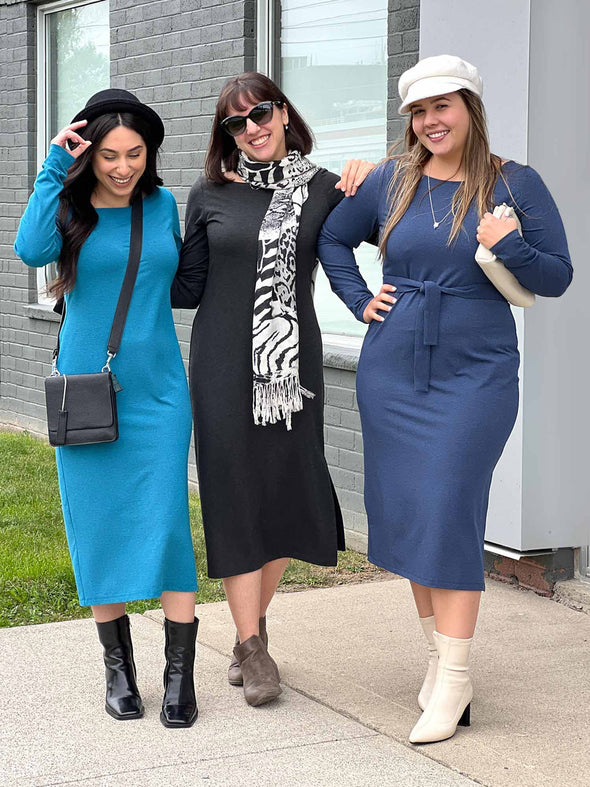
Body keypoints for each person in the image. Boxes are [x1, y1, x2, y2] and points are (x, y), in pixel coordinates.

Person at [317, 55, 572, 743]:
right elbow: (332, 238)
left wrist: (510, 245)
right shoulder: (390, 182)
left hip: (476, 373)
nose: (431, 121)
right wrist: (359, 299)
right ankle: (441, 660)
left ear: (470, 108)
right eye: (419, 112)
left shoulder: (515, 183)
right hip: (393, 367)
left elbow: (558, 277)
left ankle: (455, 677)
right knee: (412, 514)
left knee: (450, 508)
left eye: (444, 107)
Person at [171, 72, 374, 707]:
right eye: (236, 123)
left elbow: (400, 225)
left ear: (283, 113)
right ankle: (253, 645)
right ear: (224, 135)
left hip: (290, 370)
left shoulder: (325, 191)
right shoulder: (210, 191)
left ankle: (247, 632)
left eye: (261, 113)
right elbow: (185, 287)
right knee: (233, 493)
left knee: (287, 490)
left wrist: (381, 173)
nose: (252, 129)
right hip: (221, 366)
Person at [14, 89, 199, 728]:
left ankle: (180, 679)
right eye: (110, 155)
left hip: (160, 391)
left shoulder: (162, 204)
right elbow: (30, 252)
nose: (122, 167)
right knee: (96, 524)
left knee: (168, 520)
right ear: (90, 155)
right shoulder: (67, 208)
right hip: (86, 387)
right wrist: (51, 167)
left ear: (150, 154)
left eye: (135, 154)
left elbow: (176, 279)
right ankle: (118, 673)